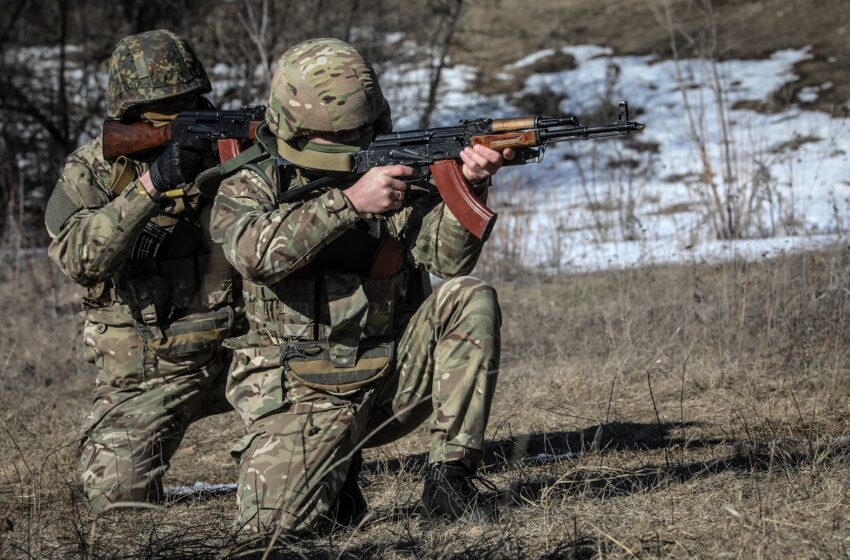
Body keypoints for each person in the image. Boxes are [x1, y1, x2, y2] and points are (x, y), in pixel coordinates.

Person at [210, 38, 510, 535]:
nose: (358, 144)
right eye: (341, 137)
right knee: (271, 533)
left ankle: (449, 477)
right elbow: (253, 255)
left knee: (469, 298)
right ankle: (338, 470)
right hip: (300, 388)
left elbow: (447, 260)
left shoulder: (395, 169)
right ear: (290, 127)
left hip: (390, 375)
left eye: (364, 131)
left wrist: (471, 185)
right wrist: (348, 203)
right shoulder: (250, 183)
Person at [44, 29, 243, 512]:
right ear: (129, 113)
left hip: (245, 350)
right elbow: (77, 258)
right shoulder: (94, 170)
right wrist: (152, 184)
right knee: (118, 496)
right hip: (149, 372)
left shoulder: (234, 149)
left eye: (189, 101)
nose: (179, 113)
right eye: (162, 108)